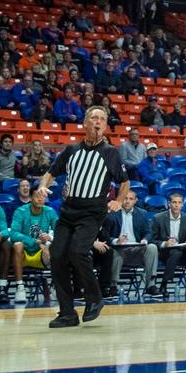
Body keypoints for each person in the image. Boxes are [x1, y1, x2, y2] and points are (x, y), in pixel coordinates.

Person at [34, 106, 128, 328]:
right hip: (68, 211)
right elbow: (51, 171)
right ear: (85, 123)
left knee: (77, 252)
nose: (97, 122)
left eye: (102, 119)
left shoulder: (110, 152)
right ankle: (67, 312)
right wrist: (42, 186)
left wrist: (118, 200)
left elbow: (124, 181)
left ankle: (95, 298)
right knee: (57, 256)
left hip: (92, 212)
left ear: (105, 126)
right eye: (93, 118)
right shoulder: (72, 150)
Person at [8, 186, 59, 303]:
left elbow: (60, 232)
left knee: (57, 247)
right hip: (23, 253)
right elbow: (13, 234)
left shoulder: (50, 212)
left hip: (41, 253)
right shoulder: (20, 211)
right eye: (37, 196)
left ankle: (56, 286)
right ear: (30, 197)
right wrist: (35, 241)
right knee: (17, 244)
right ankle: (20, 287)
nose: (40, 199)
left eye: (43, 196)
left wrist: (49, 239)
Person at [104, 190, 158, 299]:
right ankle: (113, 286)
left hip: (137, 250)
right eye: (125, 198)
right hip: (119, 250)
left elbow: (148, 232)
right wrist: (116, 241)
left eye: (131, 199)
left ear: (135, 201)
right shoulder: (112, 214)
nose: (127, 201)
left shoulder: (142, 213)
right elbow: (105, 236)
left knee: (152, 247)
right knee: (114, 252)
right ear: (121, 199)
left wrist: (144, 240)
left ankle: (150, 285)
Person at [151, 193, 186, 298]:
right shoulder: (158, 218)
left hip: (182, 251)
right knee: (175, 252)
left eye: (179, 203)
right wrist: (165, 243)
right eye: (174, 202)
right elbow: (152, 240)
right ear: (169, 204)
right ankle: (164, 284)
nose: (176, 205)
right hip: (165, 253)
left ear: (182, 205)